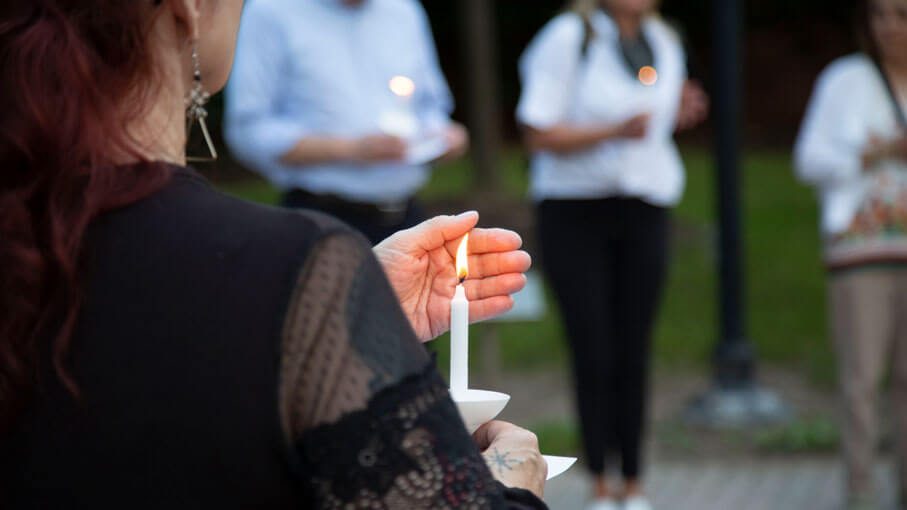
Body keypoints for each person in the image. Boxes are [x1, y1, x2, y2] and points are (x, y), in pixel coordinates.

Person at [0, 1, 548, 507]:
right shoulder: (287, 264)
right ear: (189, 8)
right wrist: (509, 479)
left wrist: (331, 327)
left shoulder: (34, 227)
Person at [516, 1, 708, 509]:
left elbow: (654, 119)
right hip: (574, 212)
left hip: (644, 208)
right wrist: (612, 131)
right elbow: (537, 132)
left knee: (634, 347)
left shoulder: (664, 40)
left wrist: (678, 110)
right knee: (594, 349)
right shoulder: (566, 36)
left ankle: (636, 480)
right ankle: (600, 481)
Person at [223, 0, 469, 245]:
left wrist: (440, 138)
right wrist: (350, 150)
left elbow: (430, 107)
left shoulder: (404, 11)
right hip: (321, 222)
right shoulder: (270, 11)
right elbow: (249, 130)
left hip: (407, 218)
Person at [794, 0, 907, 507]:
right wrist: (878, 152)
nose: (889, 26)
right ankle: (860, 495)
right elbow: (808, 160)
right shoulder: (846, 80)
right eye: (880, 14)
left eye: (902, 14)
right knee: (862, 381)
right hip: (860, 251)